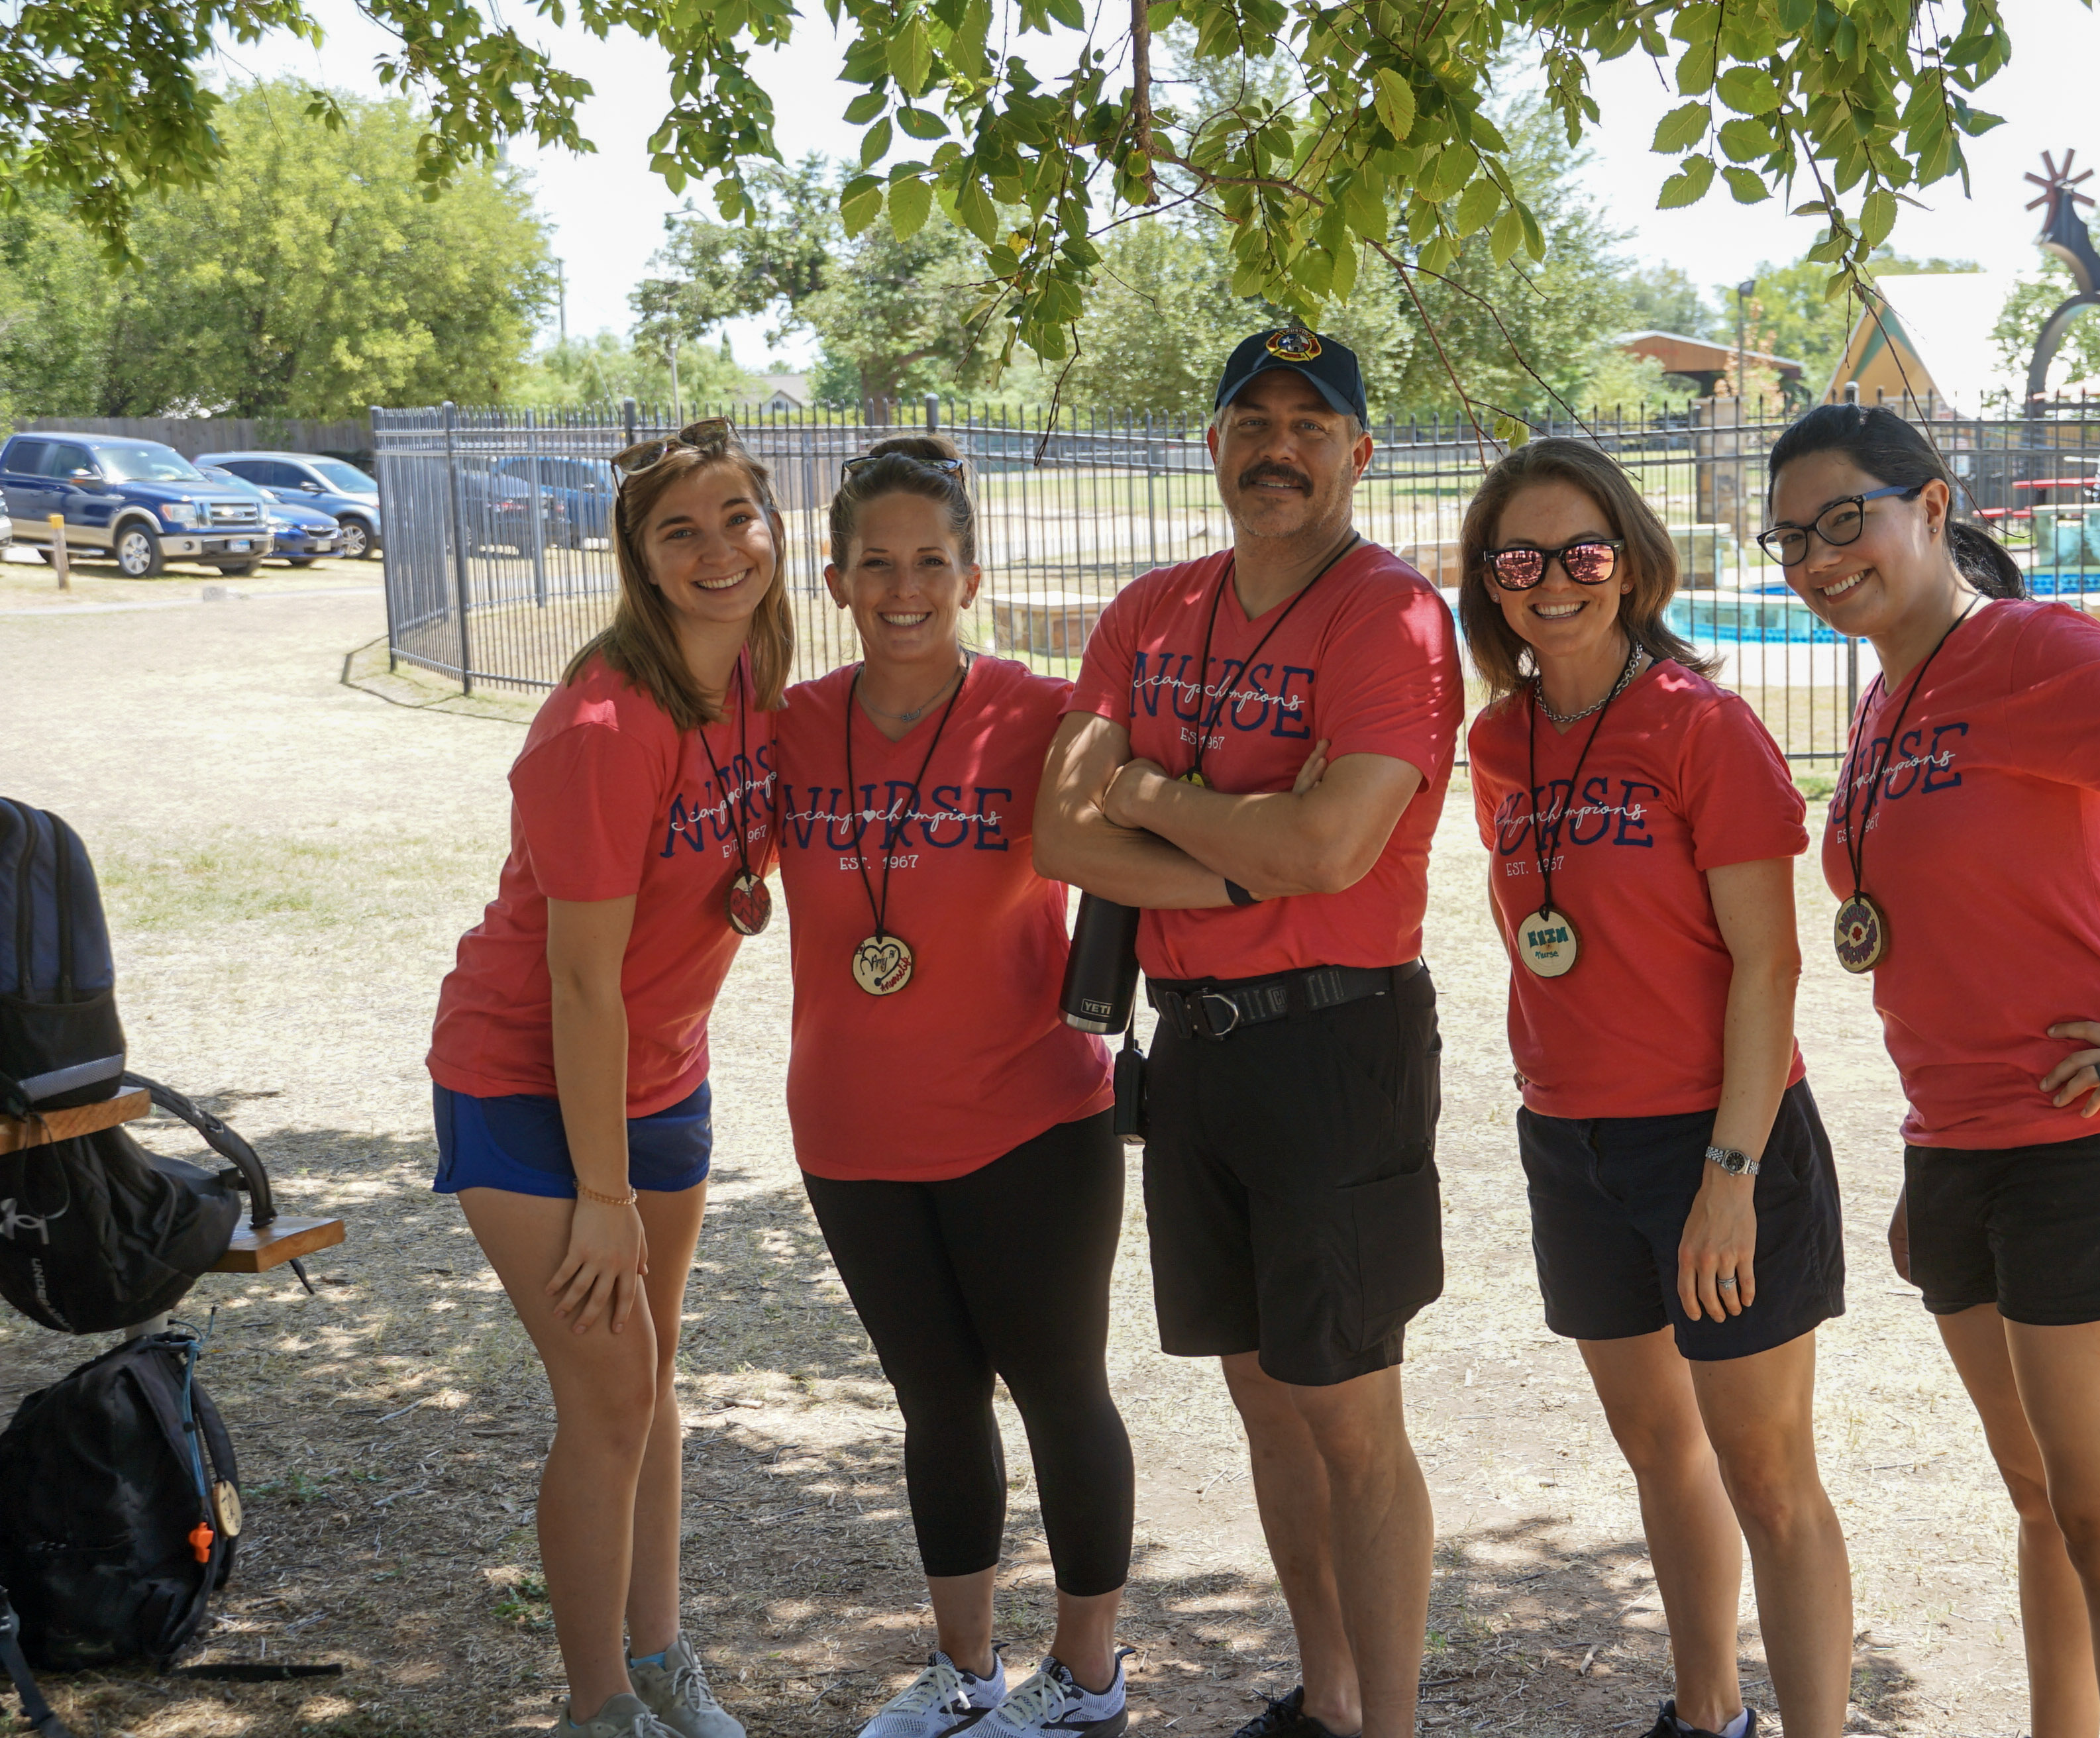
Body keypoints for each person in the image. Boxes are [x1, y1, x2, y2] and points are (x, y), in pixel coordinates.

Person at [1763, 403, 2100, 1738]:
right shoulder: (1888, 700)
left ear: (1933, 508)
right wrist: (1932, 1150)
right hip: (1969, 1151)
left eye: (1844, 521)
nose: (1817, 559)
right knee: (2047, 1505)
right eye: (1791, 539)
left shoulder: (2029, 650)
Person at [1034, 329, 1462, 1738]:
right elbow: (1060, 831)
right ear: (1212, 441)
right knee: (1265, 1398)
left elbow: (1333, 849)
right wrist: (1243, 856)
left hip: (1337, 1042)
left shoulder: (1393, 616)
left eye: (1311, 424)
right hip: (1195, 1049)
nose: (1280, 447)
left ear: (1359, 452)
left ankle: (1390, 1727)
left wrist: (1150, 795)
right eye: (1253, 421)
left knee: (1348, 1410)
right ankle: (1329, 1703)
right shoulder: (1150, 610)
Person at [1459, 438, 1852, 1738]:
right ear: (1489, 581)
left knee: (1768, 1476)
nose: (1553, 581)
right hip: (1569, 1142)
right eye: (1521, 559)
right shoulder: (1498, 741)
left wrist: (1730, 1178)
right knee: (1659, 1452)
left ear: (1629, 565)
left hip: (1717, 1143)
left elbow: (1769, 963)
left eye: (1583, 553)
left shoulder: (1701, 724)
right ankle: (1707, 1714)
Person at [427, 418, 790, 1738]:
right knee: (612, 1391)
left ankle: (660, 1660)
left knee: (650, 1373)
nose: (718, 549)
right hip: (529, 1080)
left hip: (662, 1074)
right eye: (680, 530)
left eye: (737, 517)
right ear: (637, 559)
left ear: (773, 526)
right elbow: (579, 986)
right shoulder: (600, 723)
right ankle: (601, 1708)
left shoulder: (757, 675)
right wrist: (602, 1194)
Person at [772, 436, 1133, 1738]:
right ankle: (965, 1669)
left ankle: (1086, 1675)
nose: (905, 588)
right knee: (935, 1405)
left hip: (1031, 1119)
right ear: (836, 581)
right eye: (877, 564)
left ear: (970, 577)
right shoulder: (791, 727)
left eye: (931, 561)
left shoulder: (1038, 713)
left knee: (1059, 1392)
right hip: (852, 1131)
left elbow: (1166, 788)